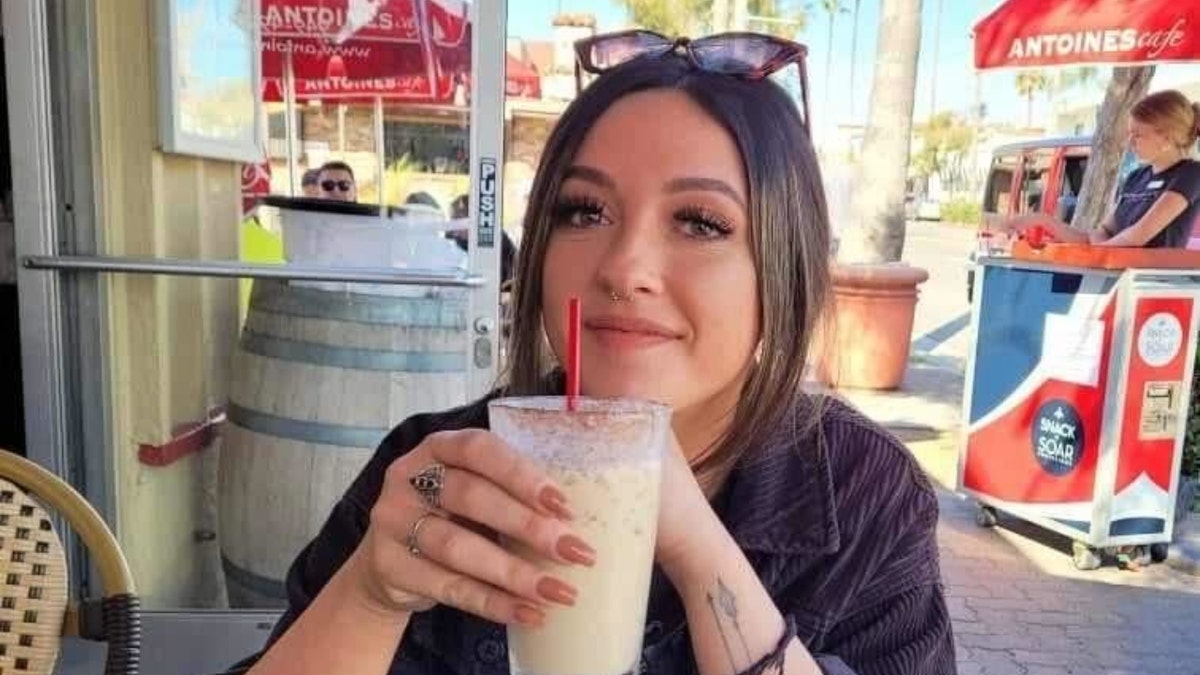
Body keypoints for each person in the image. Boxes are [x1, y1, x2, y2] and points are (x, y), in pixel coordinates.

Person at [223, 30, 954, 675]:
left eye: (699, 222)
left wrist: (698, 550)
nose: (623, 266)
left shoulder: (864, 496)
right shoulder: (438, 472)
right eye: (584, 211)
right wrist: (370, 595)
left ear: (782, 268)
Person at [1006, 89, 1200, 248]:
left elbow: (1136, 237)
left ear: (1166, 137)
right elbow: (1102, 232)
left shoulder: (1190, 174)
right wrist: (1044, 220)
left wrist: (1098, 251)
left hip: (1152, 289)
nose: (1130, 142)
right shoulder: (1136, 177)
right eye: (1130, 133)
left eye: (1138, 135)